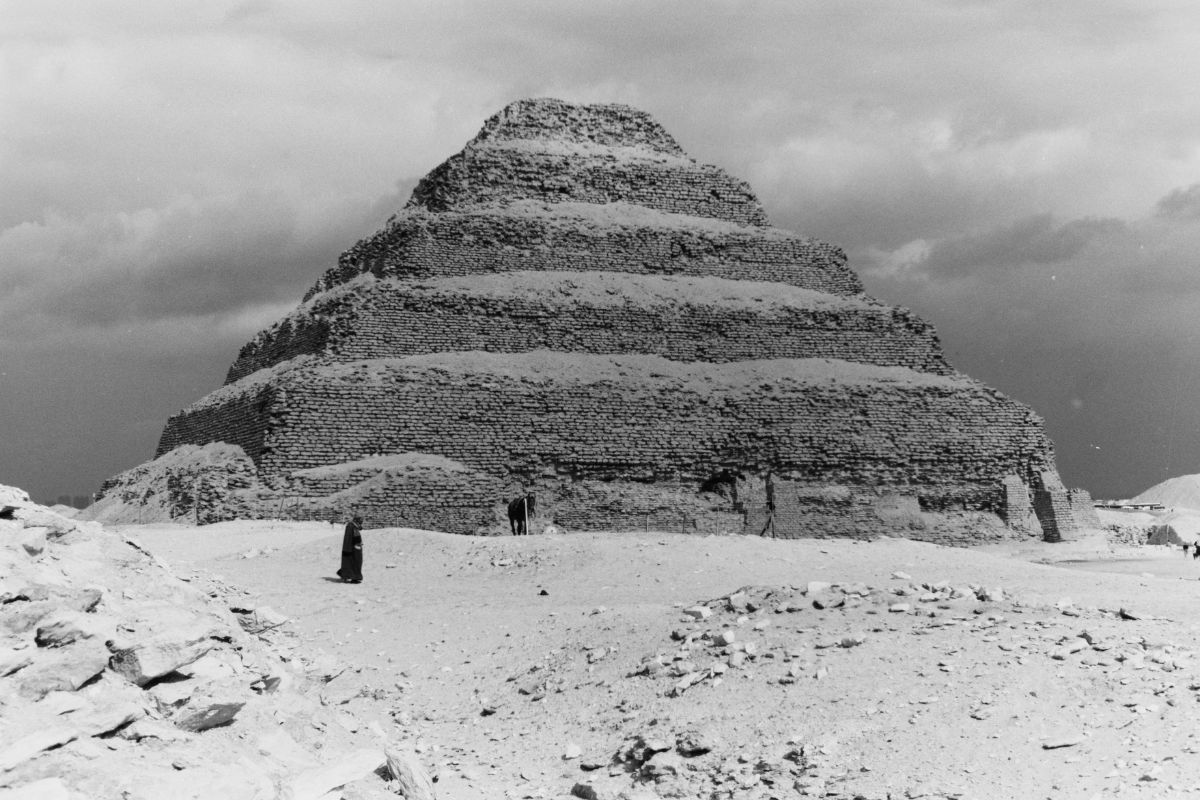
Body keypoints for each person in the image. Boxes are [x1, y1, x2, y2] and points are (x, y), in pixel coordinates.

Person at [337, 515, 364, 583]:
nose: (361, 522)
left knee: (355, 562)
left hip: (356, 548)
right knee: (354, 563)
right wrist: (348, 549)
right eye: (360, 520)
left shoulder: (355, 526)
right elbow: (348, 538)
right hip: (352, 548)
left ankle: (346, 573)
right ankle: (354, 577)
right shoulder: (350, 526)